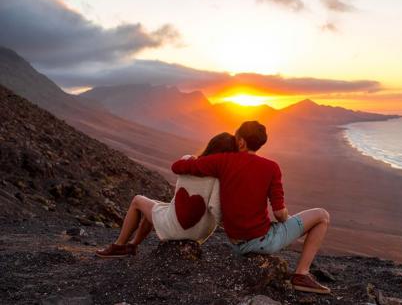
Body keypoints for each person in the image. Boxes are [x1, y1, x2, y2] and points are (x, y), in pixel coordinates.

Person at [171, 121, 331, 294]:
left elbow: (177, 167)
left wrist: (195, 160)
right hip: (262, 242)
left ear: (241, 142)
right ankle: (301, 274)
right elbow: (279, 214)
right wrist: (287, 218)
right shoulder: (271, 167)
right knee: (322, 215)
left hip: (236, 243)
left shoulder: (222, 161)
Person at [95, 132, 238, 258]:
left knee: (138, 200)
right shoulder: (219, 178)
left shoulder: (188, 161)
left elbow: (178, 168)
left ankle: (119, 246)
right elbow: (217, 209)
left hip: (176, 228)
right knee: (157, 208)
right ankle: (132, 245)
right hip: (199, 234)